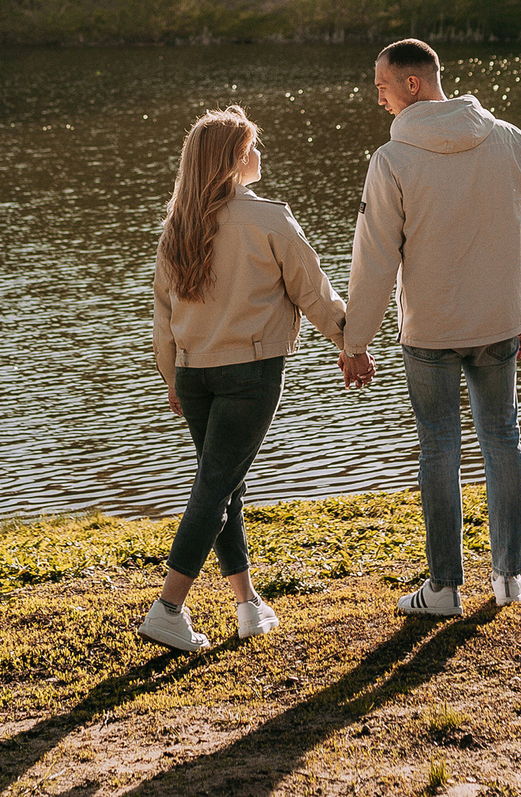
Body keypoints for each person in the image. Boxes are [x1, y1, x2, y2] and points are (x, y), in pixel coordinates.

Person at [341, 38, 521, 615]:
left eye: (382, 88)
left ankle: (443, 589)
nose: (378, 100)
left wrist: (354, 341)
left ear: (413, 84)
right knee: (502, 439)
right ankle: (509, 577)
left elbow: (375, 258)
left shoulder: (393, 161)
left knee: (438, 448)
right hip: (498, 323)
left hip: (430, 334)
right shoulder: (510, 140)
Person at [142, 104, 355, 654]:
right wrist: (350, 343)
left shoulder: (177, 227)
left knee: (224, 482)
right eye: (253, 146)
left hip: (195, 376)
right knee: (214, 486)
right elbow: (314, 293)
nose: (260, 154)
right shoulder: (268, 219)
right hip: (249, 374)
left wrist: (172, 379)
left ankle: (247, 604)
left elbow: (163, 319)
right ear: (236, 160)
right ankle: (168, 609)